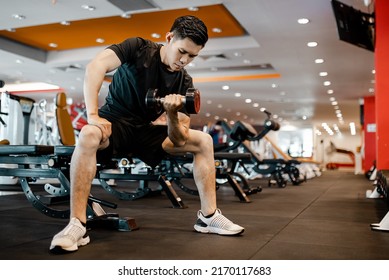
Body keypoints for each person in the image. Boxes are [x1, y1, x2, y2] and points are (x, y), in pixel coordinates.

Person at [50, 15, 244, 254]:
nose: (184, 60)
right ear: (170, 38)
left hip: (144, 130)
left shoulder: (184, 82)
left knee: (203, 140)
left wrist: (171, 113)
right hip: (114, 123)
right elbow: (95, 66)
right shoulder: (138, 48)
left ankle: (208, 216)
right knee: (89, 134)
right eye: (182, 51)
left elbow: (179, 139)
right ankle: (77, 224)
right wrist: (93, 116)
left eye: (192, 56)